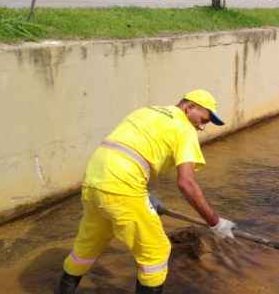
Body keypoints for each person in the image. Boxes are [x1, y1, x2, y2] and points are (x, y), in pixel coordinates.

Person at [55, 89, 237, 294]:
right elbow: (187, 184)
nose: (202, 126)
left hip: (94, 181)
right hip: (122, 187)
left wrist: (144, 194)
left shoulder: (146, 112)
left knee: (88, 244)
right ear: (189, 107)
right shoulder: (184, 128)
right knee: (156, 252)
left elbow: (132, 151)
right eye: (203, 119)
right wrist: (215, 222)